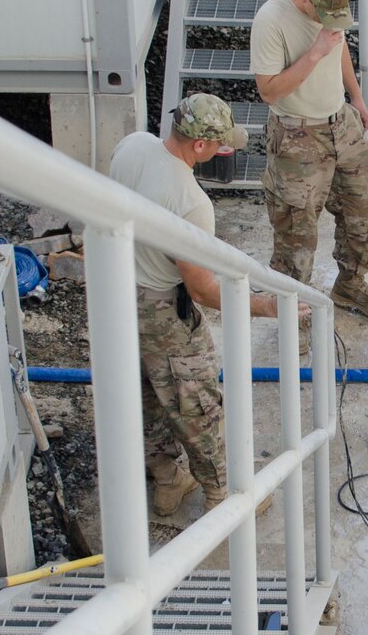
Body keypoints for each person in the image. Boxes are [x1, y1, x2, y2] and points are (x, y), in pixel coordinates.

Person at [110, 93, 288, 518]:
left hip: (116, 293)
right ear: (201, 147)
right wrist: (265, 307)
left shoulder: (133, 145)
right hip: (160, 312)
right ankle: (223, 494)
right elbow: (203, 292)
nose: (225, 149)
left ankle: (168, 481)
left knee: (145, 397)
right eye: (221, 143)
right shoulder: (190, 203)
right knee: (197, 405)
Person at [251, 0, 368, 320]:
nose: (330, 24)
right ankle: (293, 313)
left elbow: (340, 46)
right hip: (296, 133)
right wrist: (314, 52)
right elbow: (268, 91)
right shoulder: (271, 20)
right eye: (323, 15)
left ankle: (350, 285)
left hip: (340, 124)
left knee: (361, 210)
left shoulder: (330, 8)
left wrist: (356, 97)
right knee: (296, 233)